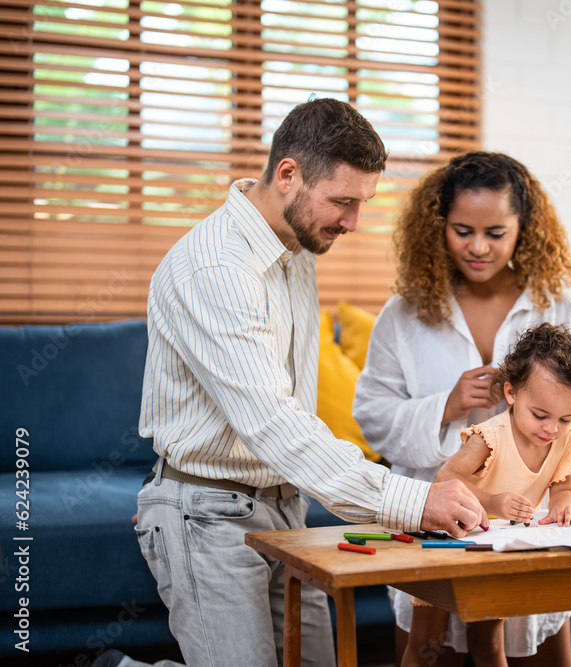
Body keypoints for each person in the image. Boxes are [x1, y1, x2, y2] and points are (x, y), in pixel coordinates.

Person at [114, 99, 488, 667]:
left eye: (362, 204)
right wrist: (410, 500)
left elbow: (287, 405)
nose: (352, 223)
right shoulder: (217, 270)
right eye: (342, 202)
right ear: (288, 174)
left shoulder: (295, 248)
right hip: (206, 512)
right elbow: (273, 424)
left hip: (286, 507)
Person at [354, 151, 571, 666]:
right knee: (430, 646)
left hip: (532, 519)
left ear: (524, 228)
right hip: (435, 524)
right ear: (438, 225)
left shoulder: (556, 304)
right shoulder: (404, 314)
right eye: (462, 230)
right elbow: (372, 414)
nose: (478, 247)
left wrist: (540, 428)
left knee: (535, 648)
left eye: (496, 233)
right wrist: (445, 406)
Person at [404, 323, 571, 667]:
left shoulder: (563, 442)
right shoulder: (490, 437)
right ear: (511, 393)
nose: (551, 429)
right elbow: (444, 478)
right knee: (426, 642)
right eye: (540, 415)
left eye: (566, 418)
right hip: (446, 543)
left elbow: (563, 483)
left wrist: (564, 504)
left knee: (489, 642)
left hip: (494, 553)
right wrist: (493, 503)